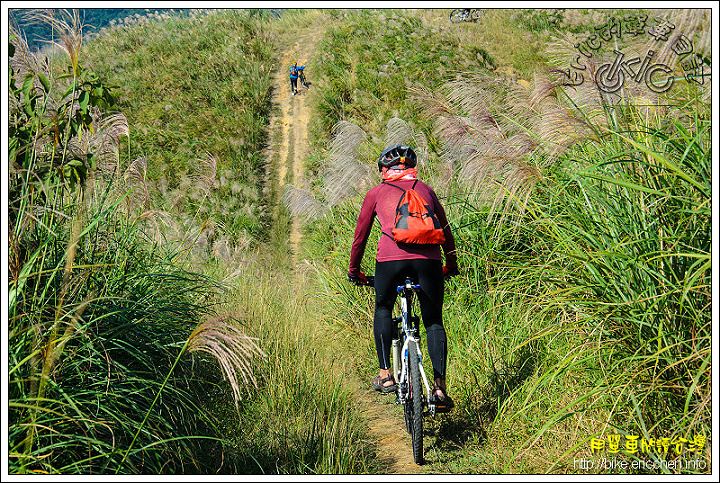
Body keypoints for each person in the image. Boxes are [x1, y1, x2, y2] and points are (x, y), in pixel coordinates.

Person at [348, 145, 459, 412]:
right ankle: (440, 388)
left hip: (390, 260)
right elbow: (445, 231)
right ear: (411, 168)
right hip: (429, 263)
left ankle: (386, 374)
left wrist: (355, 271)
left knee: (384, 308)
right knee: (433, 321)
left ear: (385, 171)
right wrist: (451, 265)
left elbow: (360, 237)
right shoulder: (427, 191)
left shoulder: (375, 193)